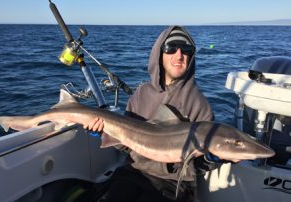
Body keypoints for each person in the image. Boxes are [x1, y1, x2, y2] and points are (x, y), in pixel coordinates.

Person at [88, 26, 221, 202]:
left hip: (173, 183)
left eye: (186, 50)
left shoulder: (199, 104)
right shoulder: (141, 94)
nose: (179, 55)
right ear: (160, 53)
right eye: (171, 48)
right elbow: (127, 145)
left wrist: (211, 158)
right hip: (134, 171)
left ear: (191, 56)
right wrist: (105, 132)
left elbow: (200, 166)